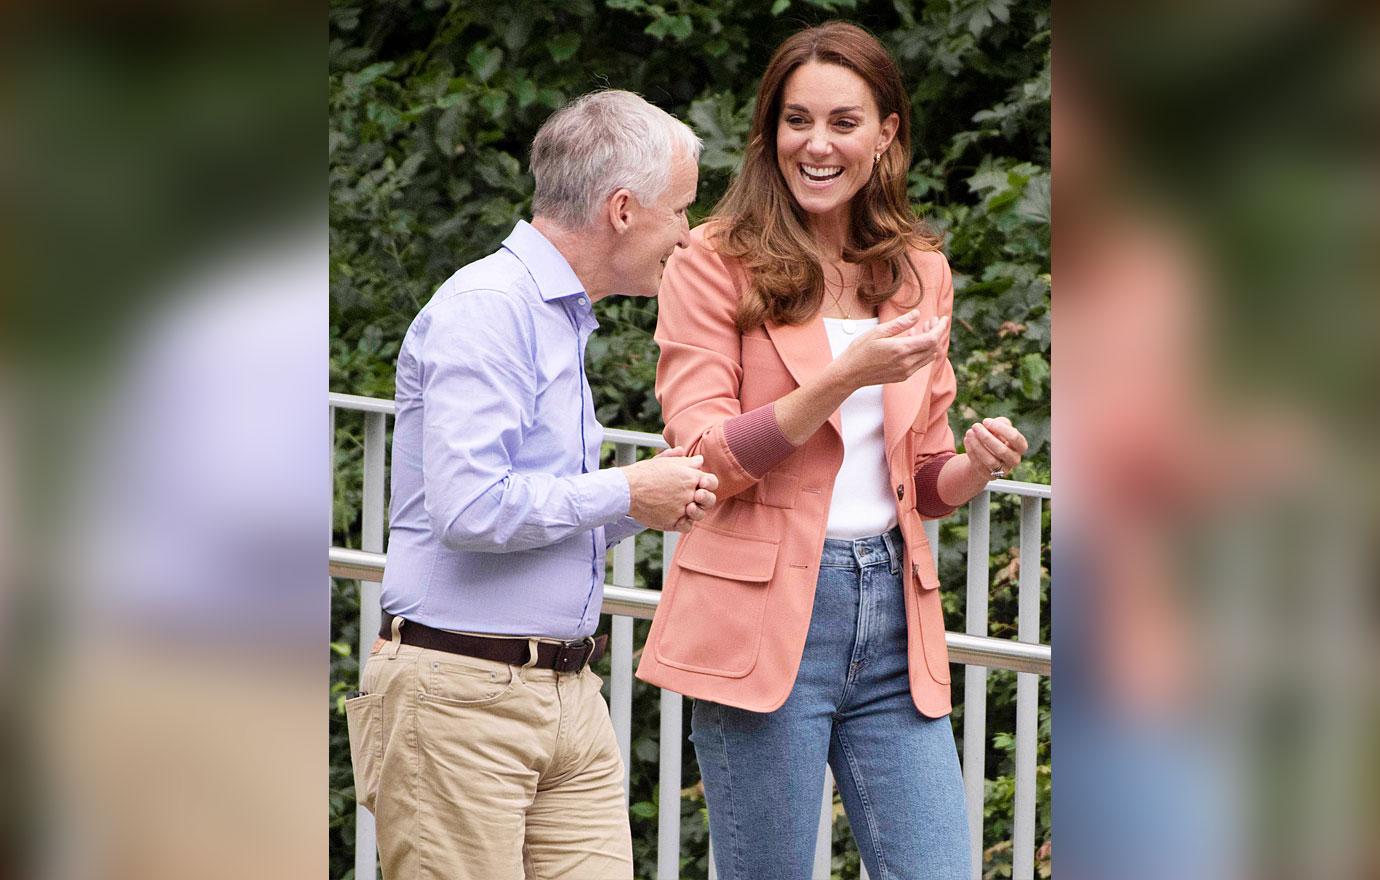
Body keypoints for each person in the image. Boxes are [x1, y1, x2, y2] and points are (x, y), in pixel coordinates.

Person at [634, 22, 1029, 880]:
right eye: (796, 120)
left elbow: (920, 481)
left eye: (844, 122)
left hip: (893, 615)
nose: (817, 145)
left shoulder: (919, 271)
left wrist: (975, 464)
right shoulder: (712, 262)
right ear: (769, 131)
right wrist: (841, 379)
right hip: (762, 615)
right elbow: (703, 456)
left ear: (885, 133)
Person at [345, 90, 718, 880]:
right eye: (680, 210)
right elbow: (471, 507)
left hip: (566, 694)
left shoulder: (557, 316)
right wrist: (622, 492)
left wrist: (652, 499)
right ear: (623, 209)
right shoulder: (490, 308)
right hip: (457, 695)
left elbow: (537, 509)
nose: (687, 234)